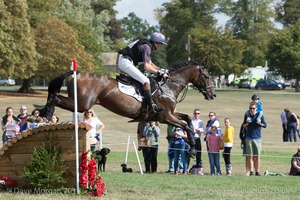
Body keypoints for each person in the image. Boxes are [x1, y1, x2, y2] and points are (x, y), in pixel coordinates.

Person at [118, 32, 169, 113]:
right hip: (126, 62)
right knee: (146, 81)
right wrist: (159, 72)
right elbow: (147, 67)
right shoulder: (147, 47)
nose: (161, 46)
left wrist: (161, 70)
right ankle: (151, 106)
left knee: (142, 79)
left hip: (126, 61)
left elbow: (151, 64)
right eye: (161, 44)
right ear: (155, 43)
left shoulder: (147, 46)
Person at [243, 102, 267, 176]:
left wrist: (260, 123)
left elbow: (265, 125)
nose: (252, 110)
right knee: (249, 156)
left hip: (257, 138)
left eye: (253, 108)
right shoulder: (247, 115)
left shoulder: (259, 115)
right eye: (250, 108)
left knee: (257, 156)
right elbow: (243, 126)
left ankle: (257, 172)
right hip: (249, 137)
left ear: (256, 108)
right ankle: (251, 171)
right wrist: (247, 123)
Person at [191, 108, 205, 174]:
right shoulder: (191, 120)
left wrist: (198, 130)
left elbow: (203, 130)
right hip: (191, 138)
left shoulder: (201, 122)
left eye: (198, 113)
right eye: (195, 113)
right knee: (190, 153)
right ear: (193, 114)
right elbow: (190, 128)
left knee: (198, 153)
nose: (197, 114)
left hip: (197, 138)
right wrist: (195, 130)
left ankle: (199, 167)